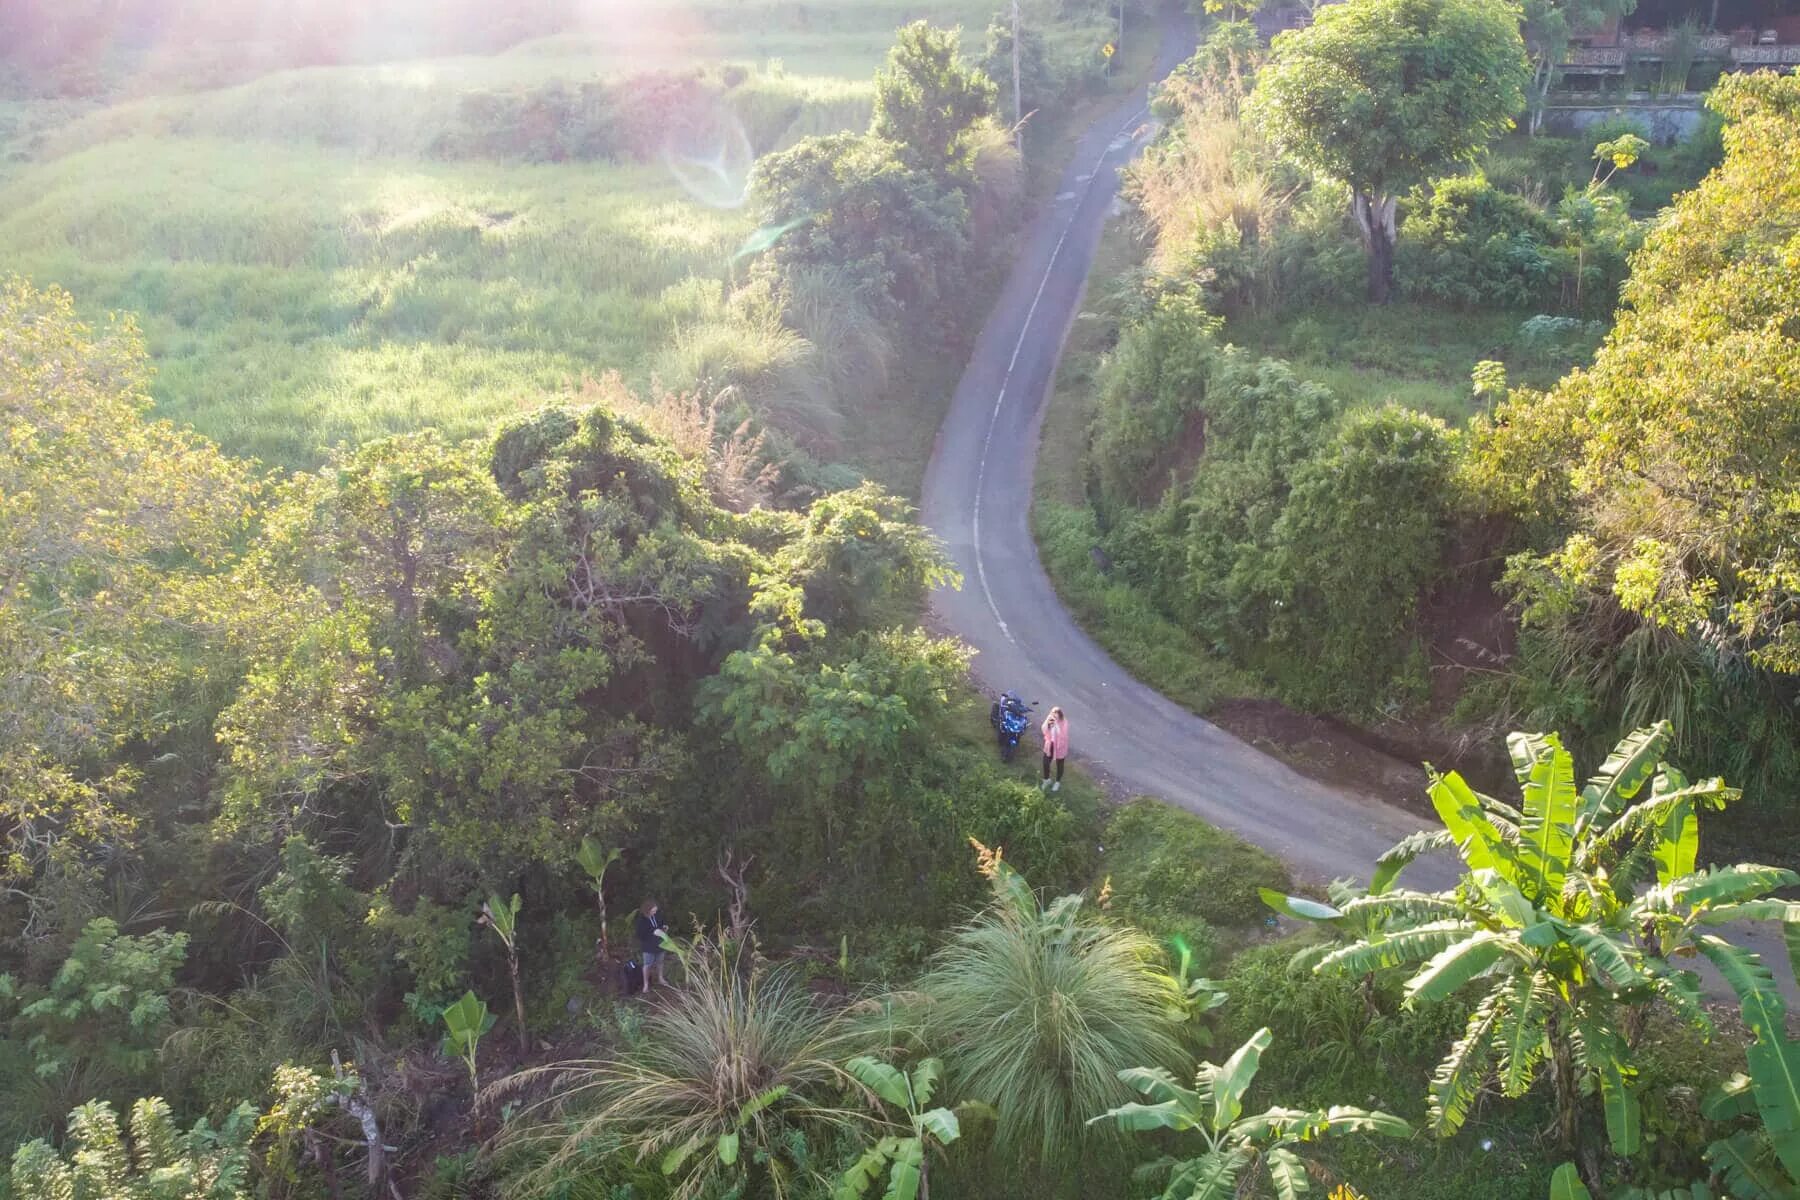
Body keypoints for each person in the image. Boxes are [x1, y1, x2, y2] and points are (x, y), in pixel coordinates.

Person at [633, 899, 668, 994]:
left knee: (660, 962)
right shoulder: (641, 920)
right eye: (653, 911)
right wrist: (653, 933)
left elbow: (662, 924)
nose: (655, 912)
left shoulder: (657, 915)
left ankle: (660, 978)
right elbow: (640, 935)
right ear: (647, 910)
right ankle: (646, 984)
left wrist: (664, 927)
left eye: (655, 910)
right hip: (648, 946)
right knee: (647, 965)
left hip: (660, 944)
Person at [1040, 706, 1069, 791]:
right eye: (1053, 713)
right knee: (1045, 763)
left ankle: (1057, 782)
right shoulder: (1050, 718)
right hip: (1050, 745)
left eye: (1056, 714)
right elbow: (1044, 729)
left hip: (1060, 746)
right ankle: (1046, 780)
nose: (1054, 716)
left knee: (1060, 764)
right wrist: (1048, 725)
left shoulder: (1064, 722)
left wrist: (1056, 726)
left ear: (1060, 715)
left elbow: (1063, 735)